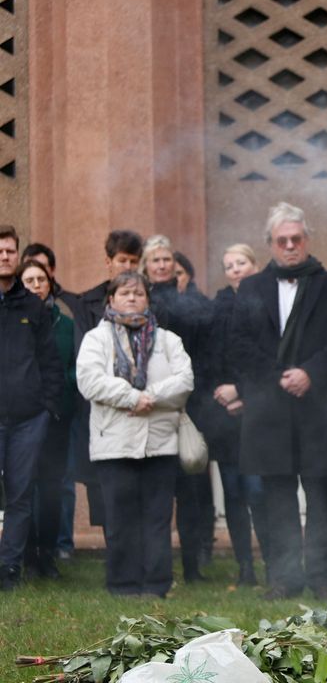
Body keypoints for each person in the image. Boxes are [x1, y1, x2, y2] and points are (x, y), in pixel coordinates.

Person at [229, 202, 327, 600]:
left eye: (296, 239)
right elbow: (239, 342)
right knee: (277, 499)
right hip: (270, 410)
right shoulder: (251, 287)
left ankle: (323, 578)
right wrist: (278, 376)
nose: (289, 246)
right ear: (270, 243)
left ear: (307, 240)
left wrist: (311, 373)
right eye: (281, 240)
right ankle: (284, 579)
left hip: (321, 409)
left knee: (323, 496)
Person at [75, 271, 194, 596]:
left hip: (160, 443)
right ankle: (123, 586)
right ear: (111, 299)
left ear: (147, 299)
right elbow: (89, 380)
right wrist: (132, 397)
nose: (131, 298)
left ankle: (156, 585)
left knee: (157, 520)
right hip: (114, 444)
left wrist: (150, 397)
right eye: (124, 293)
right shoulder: (95, 340)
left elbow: (185, 381)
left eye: (138, 293)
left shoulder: (168, 339)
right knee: (120, 521)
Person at [141, 234, 215, 583]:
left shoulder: (193, 303)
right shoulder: (140, 303)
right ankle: (156, 568)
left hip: (190, 405)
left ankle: (193, 567)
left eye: (166, 259)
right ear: (146, 266)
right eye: (155, 260)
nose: (161, 265)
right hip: (151, 407)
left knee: (191, 491)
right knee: (156, 494)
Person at [0, 226, 64, 591]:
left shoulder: (34, 307)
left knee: (21, 495)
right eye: (0, 251)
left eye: (10, 250)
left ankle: (9, 570)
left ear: (18, 255)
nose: (5, 256)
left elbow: (50, 362)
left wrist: (48, 409)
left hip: (28, 419)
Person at [70, 230, 143, 529]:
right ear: (108, 262)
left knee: (141, 498)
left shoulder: (152, 303)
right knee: (109, 500)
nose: (127, 267)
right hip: (103, 411)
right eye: (121, 260)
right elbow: (86, 362)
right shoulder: (86, 304)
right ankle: (118, 566)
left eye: (133, 261)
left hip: (143, 412)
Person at [207, 243, 267, 586]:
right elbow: (211, 356)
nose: (235, 270)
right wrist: (222, 393)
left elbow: (265, 357)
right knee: (233, 493)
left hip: (257, 412)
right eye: (229, 265)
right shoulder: (217, 307)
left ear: (254, 265)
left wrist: (243, 392)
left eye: (241, 262)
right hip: (225, 417)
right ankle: (245, 567)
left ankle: (273, 561)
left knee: (258, 492)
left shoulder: (265, 302)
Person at [17, 258, 76, 580]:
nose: (36, 285)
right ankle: (25, 554)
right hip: (21, 417)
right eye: (29, 280)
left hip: (56, 416)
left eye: (41, 279)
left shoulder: (65, 324)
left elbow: (73, 366)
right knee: (21, 487)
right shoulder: (12, 319)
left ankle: (48, 554)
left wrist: (56, 393)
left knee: (51, 488)